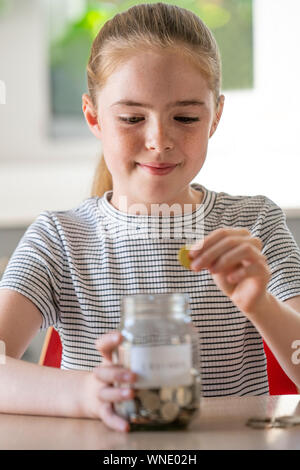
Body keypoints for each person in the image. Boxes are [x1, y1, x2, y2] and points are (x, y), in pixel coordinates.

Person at [0, 2, 300, 433]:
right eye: (131, 118)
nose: (159, 140)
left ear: (215, 116)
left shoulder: (255, 224)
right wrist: (86, 393)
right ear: (93, 116)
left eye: (185, 117)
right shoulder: (60, 240)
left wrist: (261, 305)